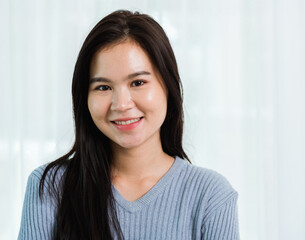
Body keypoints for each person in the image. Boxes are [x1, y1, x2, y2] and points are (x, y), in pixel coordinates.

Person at [18, 10, 240, 240]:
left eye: (138, 82)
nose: (121, 104)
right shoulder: (50, 187)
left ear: (168, 87)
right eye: (103, 87)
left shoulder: (211, 195)